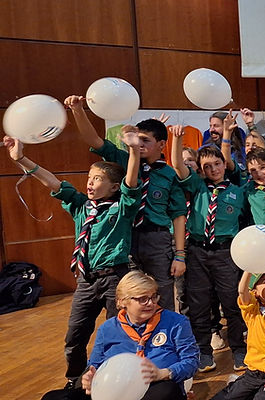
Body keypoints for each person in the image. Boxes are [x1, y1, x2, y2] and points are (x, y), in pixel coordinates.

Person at [4, 130, 140, 390]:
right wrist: (21, 158)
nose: (89, 183)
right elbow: (52, 182)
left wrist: (133, 151)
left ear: (113, 186)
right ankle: (75, 380)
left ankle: (119, 380)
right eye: (89, 178)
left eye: (97, 179)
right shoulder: (80, 205)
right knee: (75, 335)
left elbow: (131, 184)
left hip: (115, 278)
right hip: (86, 281)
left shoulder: (121, 207)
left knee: (119, 333)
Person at [66, 95, 188, 312]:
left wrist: (179, 254)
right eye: (137, 139)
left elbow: (179, 215)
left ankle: (164, 342)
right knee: (128, 295)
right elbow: (93, 140)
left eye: (145, 141)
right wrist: (77, 109)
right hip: (125, 238)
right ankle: (133, 340)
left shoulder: (170, 175)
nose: (139, 144)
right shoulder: (125, 159)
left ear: (161, 144)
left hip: (156, 240)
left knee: (162, 294)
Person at [41, 271, 200, 400]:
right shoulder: (108, 328)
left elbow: (191, 361)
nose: (151, 303)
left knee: (167, 391)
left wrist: (163, 373)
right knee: (52, 397)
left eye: (153, 297)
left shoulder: (176, 322)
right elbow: (95, 365)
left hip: (157, 387)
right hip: (115, 391)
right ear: (122, 301)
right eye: (143, 299)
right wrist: (90, 378)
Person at [169, 126, 248, 371]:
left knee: (232, 302)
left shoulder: (238, 191)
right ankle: (203, 350)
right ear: (201, 170)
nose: (213, 169)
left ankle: (238, 348)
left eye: (217, 164)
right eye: (207, 167)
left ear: (225, 164)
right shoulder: (197, 187)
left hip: (226, 252)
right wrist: (178, 139)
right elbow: (178, 166)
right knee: (199, 303)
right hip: (198, 251)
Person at [212, 266, 265, 400]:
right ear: (255, 292)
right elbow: (242, 291)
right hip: (254, 374)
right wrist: (249, 267)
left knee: (263, 398)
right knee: (227, 397)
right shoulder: (252, 312)